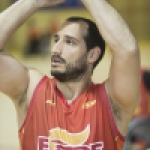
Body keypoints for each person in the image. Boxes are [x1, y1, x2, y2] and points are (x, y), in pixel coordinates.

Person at [0, 0, 140, 150]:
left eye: (69, 42)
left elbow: (128, 51)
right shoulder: (30, 90)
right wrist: (34, 2)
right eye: (56, 40)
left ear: (92, 54)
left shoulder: (112, 103)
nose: (55, 49)